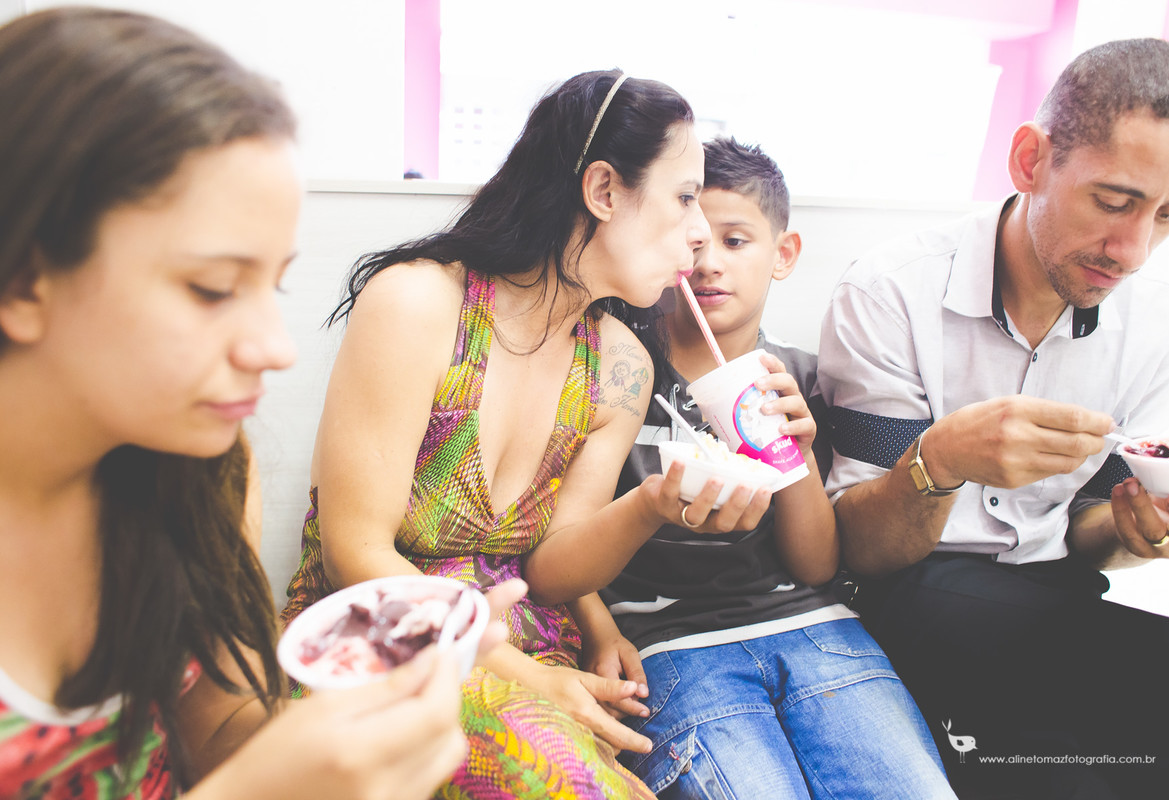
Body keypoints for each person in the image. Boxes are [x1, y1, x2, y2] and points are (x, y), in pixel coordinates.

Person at [0, 7, 523, 800]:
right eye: (212, 288)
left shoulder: (198, 473)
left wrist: (377, 703)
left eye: (271, 285)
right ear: (26, 278)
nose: (275, 347)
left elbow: (217, 730)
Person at [280, 71, 774, 798]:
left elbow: (547, 571)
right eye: (685, 196)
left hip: (525, 636)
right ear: (603, 190)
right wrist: (529, 679)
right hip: (383, 630)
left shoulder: (619, 367)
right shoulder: (418, 304)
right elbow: (355, 552)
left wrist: (654, 506)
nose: (700, 234)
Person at [817, 38, 1169, 799]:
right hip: (906, 594)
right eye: (1115, 202)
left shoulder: (1158, 322)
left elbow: (1085, 536)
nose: (1133, 249)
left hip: (1047, 600)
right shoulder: (890, 292)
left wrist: (1134, 533)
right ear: (1030, 161)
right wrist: (942, 460)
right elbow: (859, 551)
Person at [576, 137, 954, 799]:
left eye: (735, 241)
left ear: (783, 255)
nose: (708, 264)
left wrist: (797, 453)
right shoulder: (615, 372)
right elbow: (556, 529)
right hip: (666, 647)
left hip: (814, 628)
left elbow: (815, 566)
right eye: (691, 242)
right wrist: (598, 627)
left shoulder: (803, 379)